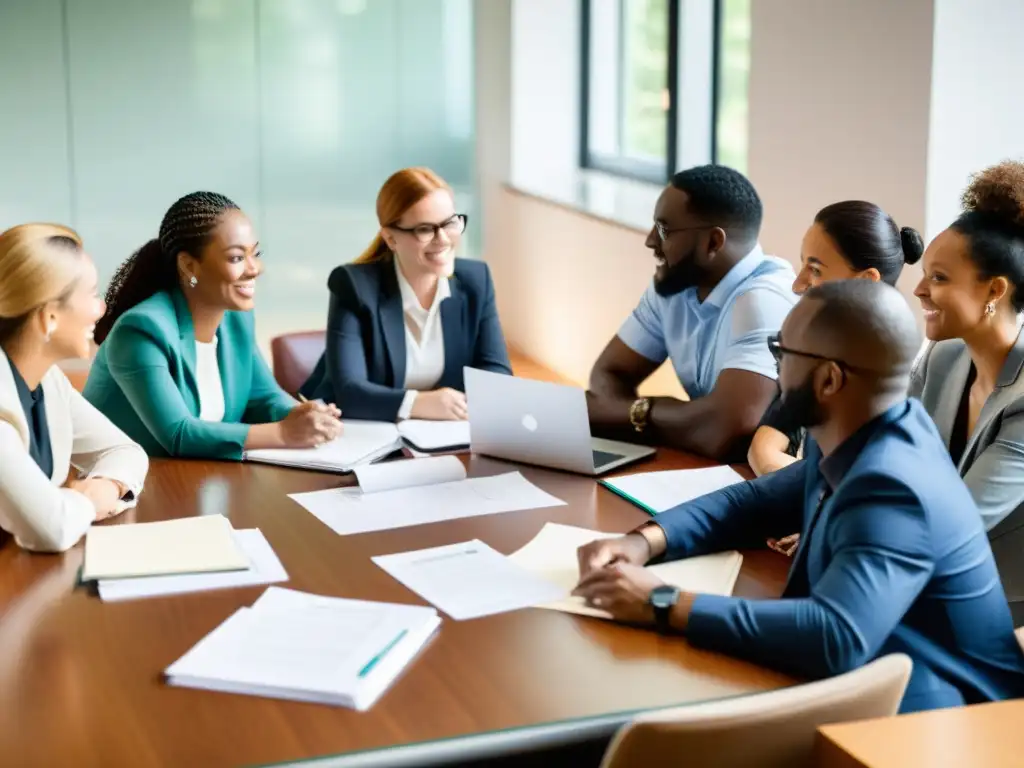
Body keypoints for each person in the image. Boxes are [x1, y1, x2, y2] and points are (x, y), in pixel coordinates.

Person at [574, 279, 1024, 714]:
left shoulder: (895, 485)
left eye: (782, 351)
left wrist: (663, 601)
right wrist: (641, 542)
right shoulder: (868, 430)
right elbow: (749, 504)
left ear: (829, 380)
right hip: (877, 688)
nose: (775, 368)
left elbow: (835, 635)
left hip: (947, 723)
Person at [84, 192, 342, 460]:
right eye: (236, 258)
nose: (254, 269)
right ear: (189, 266)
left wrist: (301, 415)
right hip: (124, 485)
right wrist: (285, 433)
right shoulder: (140, 330)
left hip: (198, 479)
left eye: (256, 253)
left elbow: (265, 397)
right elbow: (178, 434)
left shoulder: (236, 320)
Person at [587, 165, 796, 462]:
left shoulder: (763, 300)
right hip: (698, 466)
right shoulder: (675, 285)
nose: (650, 240)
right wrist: (684, 421)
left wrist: (640, 413)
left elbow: (725, 429)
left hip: (758, 481)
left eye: (664, 229)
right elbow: (608, 375)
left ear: (713, 242)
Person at [748, 201, 924, 523]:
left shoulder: (914, 378)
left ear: (866, 281)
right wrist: (811, 496)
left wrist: (818, 497)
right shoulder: (816, 351)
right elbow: (763, 447)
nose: (797, 285)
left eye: (815, 270)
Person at [300, 167, 512, 421]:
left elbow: (496, 373)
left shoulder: (476, 280)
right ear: (390, 238)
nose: (443, 239)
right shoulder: (353, 285)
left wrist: (456, 407)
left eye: (450, 223)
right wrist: (420, 403)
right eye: (425, 229)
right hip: (351, 428)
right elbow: (350, 392)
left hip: (436, 435)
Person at [911, 160, 1024, 627]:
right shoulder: (944, 358)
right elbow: (892, 460)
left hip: (1001, 602)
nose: (918, 290)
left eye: (938, 278)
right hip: (929, 571)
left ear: (994, 290)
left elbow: (956, 526)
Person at [0, 224, 148, 552]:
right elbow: (51, 530)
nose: (102, 308)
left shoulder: (48, 380)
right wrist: (84, 502)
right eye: (92, 294)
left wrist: (108, 485)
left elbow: (125, 451)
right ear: (49, 316)